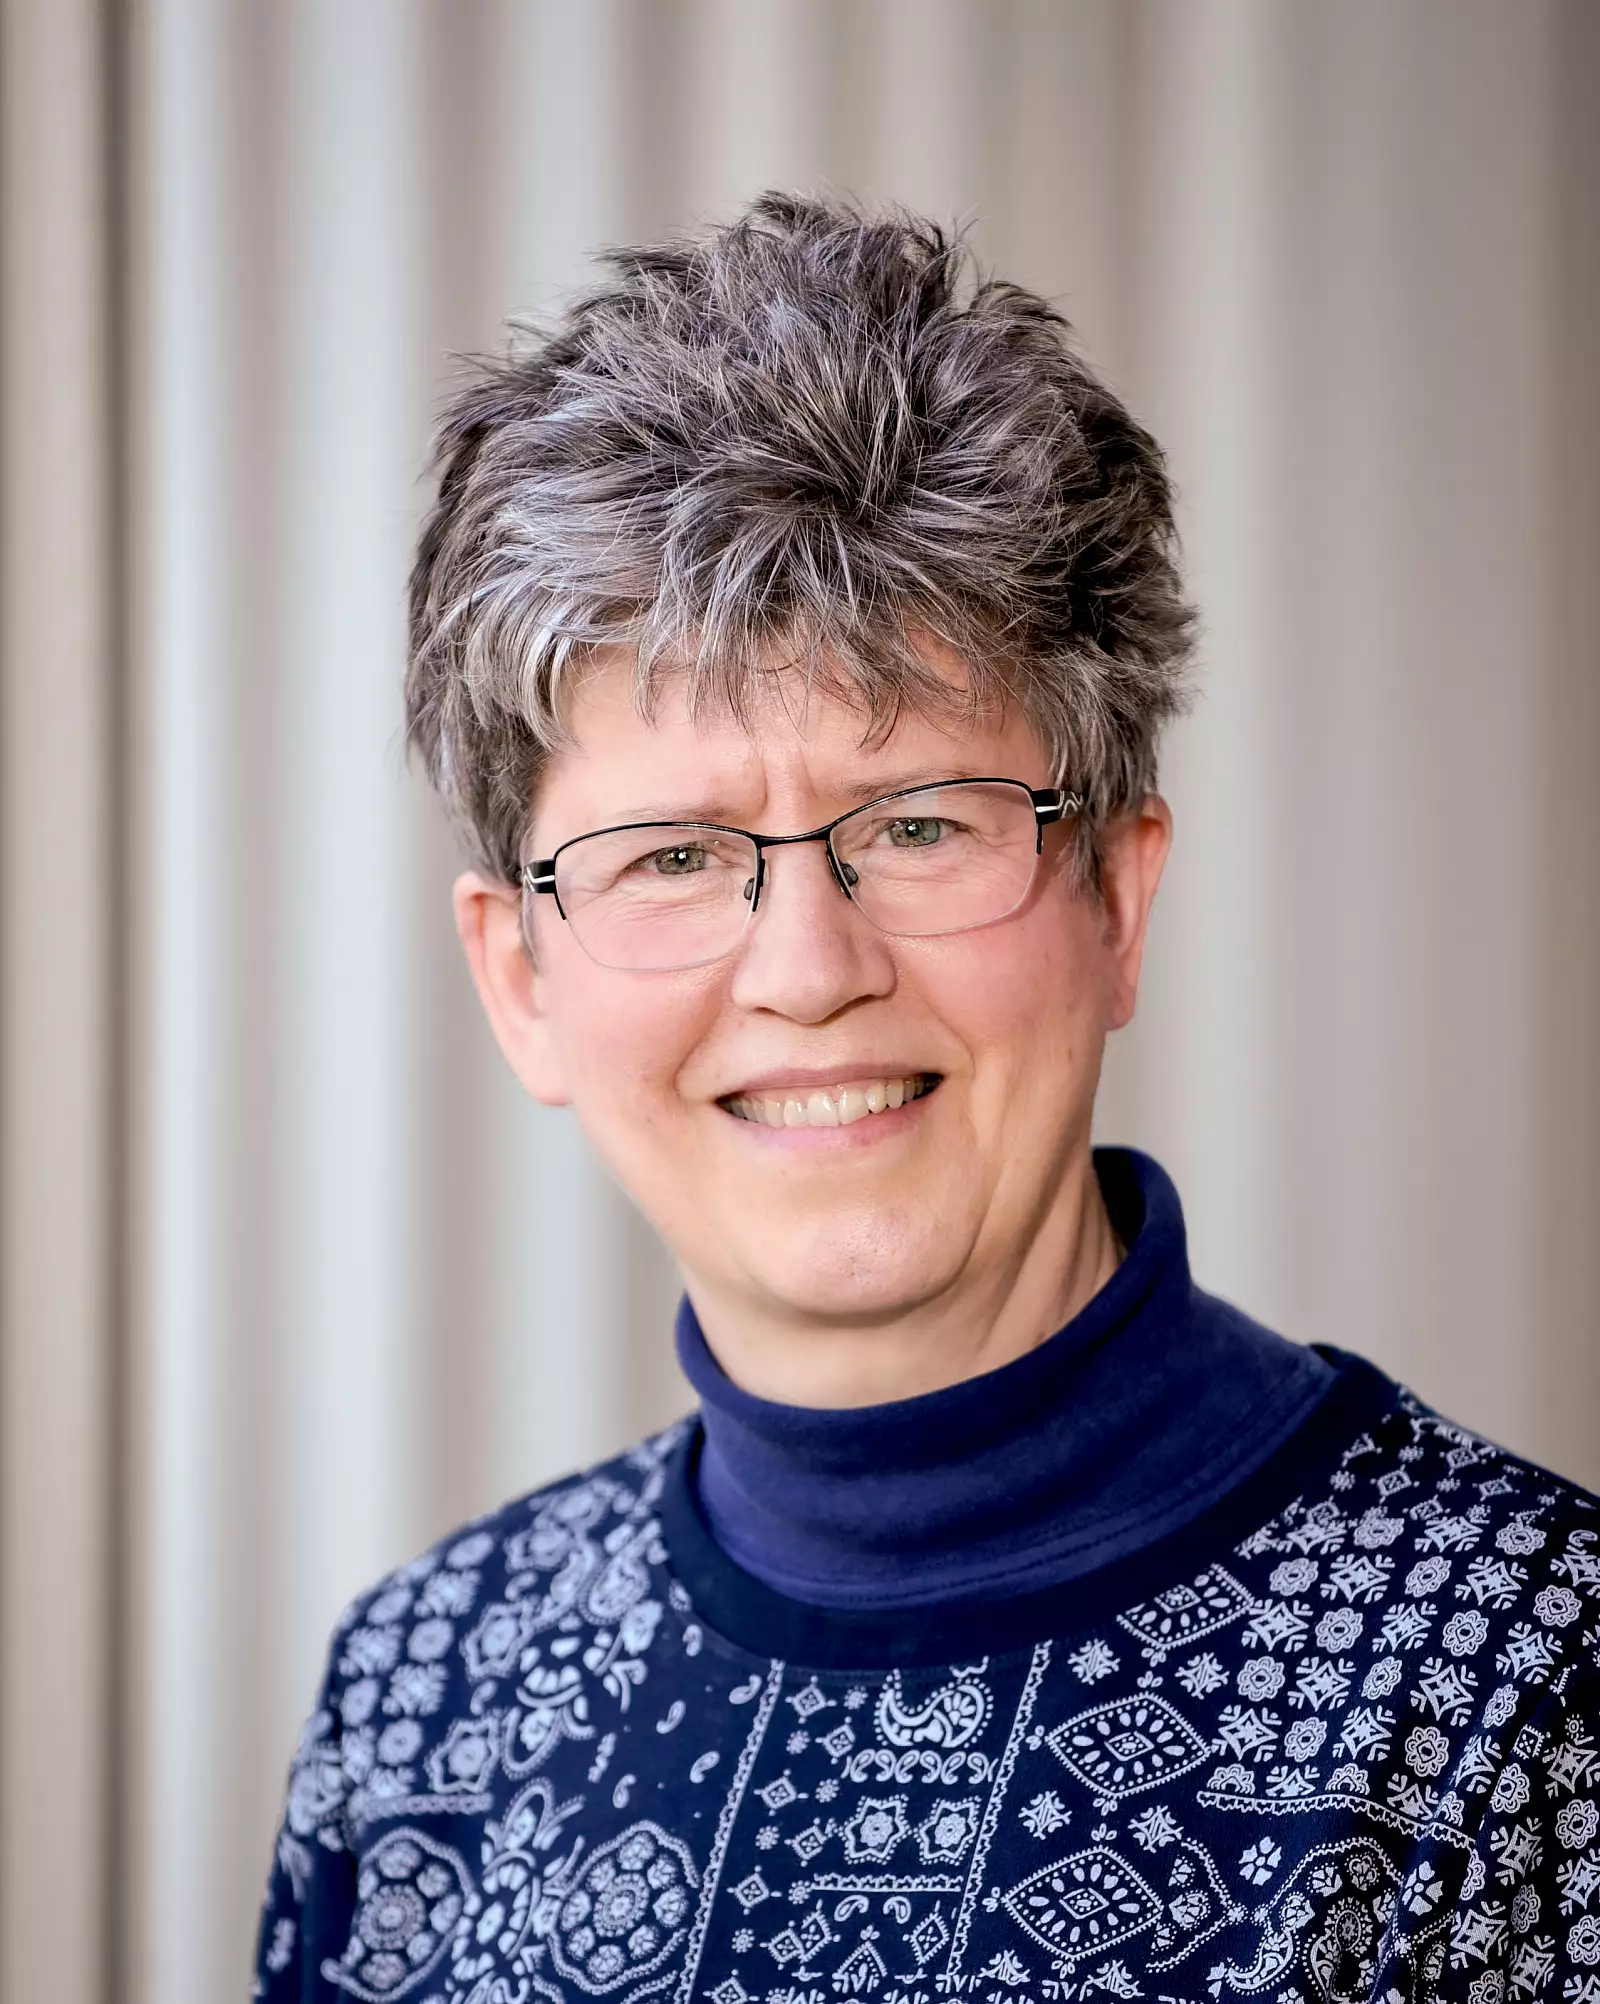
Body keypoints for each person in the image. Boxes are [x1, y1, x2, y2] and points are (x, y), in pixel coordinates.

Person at [253, 194, 1600, 2004]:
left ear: (1116, 897)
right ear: (522, 981)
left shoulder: (1518, 1685)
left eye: (917, 826)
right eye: (671, 855)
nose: (808, 967)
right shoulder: (423, 1699)